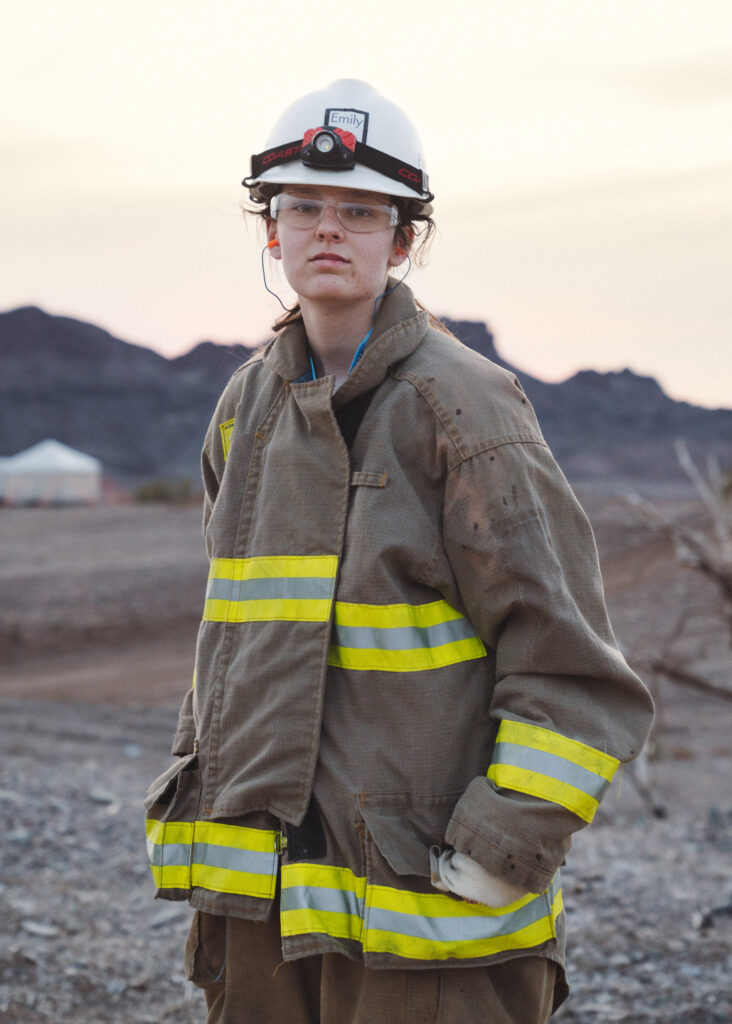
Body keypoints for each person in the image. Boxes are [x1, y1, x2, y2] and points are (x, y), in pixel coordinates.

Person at [145, 79, 654, 1023]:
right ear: (271, 231)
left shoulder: (465, 412)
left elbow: (577, 670)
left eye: (359, 212)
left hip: (428, 923)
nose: (327, 230)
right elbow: (231, 648)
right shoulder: (243, 413)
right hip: (263, 917)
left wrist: (505, 843)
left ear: (403, 238)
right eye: (303, 207)